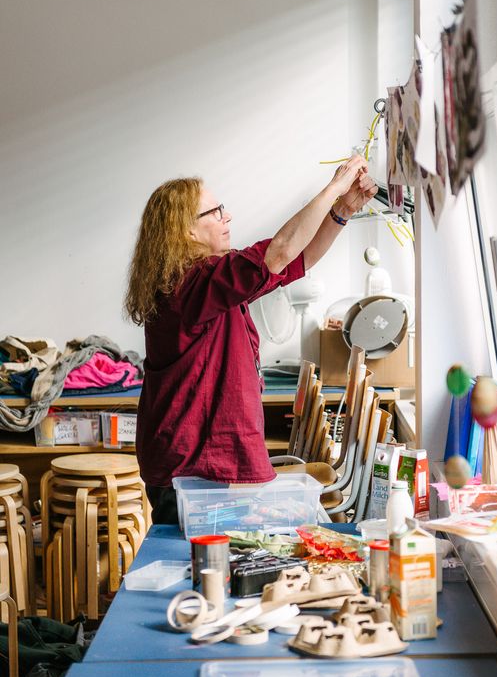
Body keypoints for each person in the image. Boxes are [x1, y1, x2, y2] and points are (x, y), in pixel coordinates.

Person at [124, 154, 377, 523]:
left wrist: (343, 211)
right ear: (186, 231)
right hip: (193, 470)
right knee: (200, 568)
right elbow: (279, 253)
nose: (227, 217)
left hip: (198, 469)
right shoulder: (190, 285)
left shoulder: (210, 285)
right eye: (214, 212)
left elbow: (296, 260)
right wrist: (334, 187)